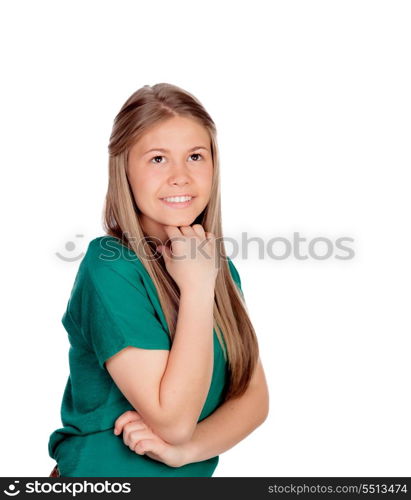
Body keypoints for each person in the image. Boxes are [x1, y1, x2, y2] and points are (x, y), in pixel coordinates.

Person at [48, 83, 269, 477]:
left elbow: (253, 400)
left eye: (196, 156)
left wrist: (187, 452)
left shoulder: (215, 267)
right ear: (124, 169)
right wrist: (198, 289)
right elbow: (173, 421)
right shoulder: (110, 266)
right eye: (158, 159)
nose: (181, 176)